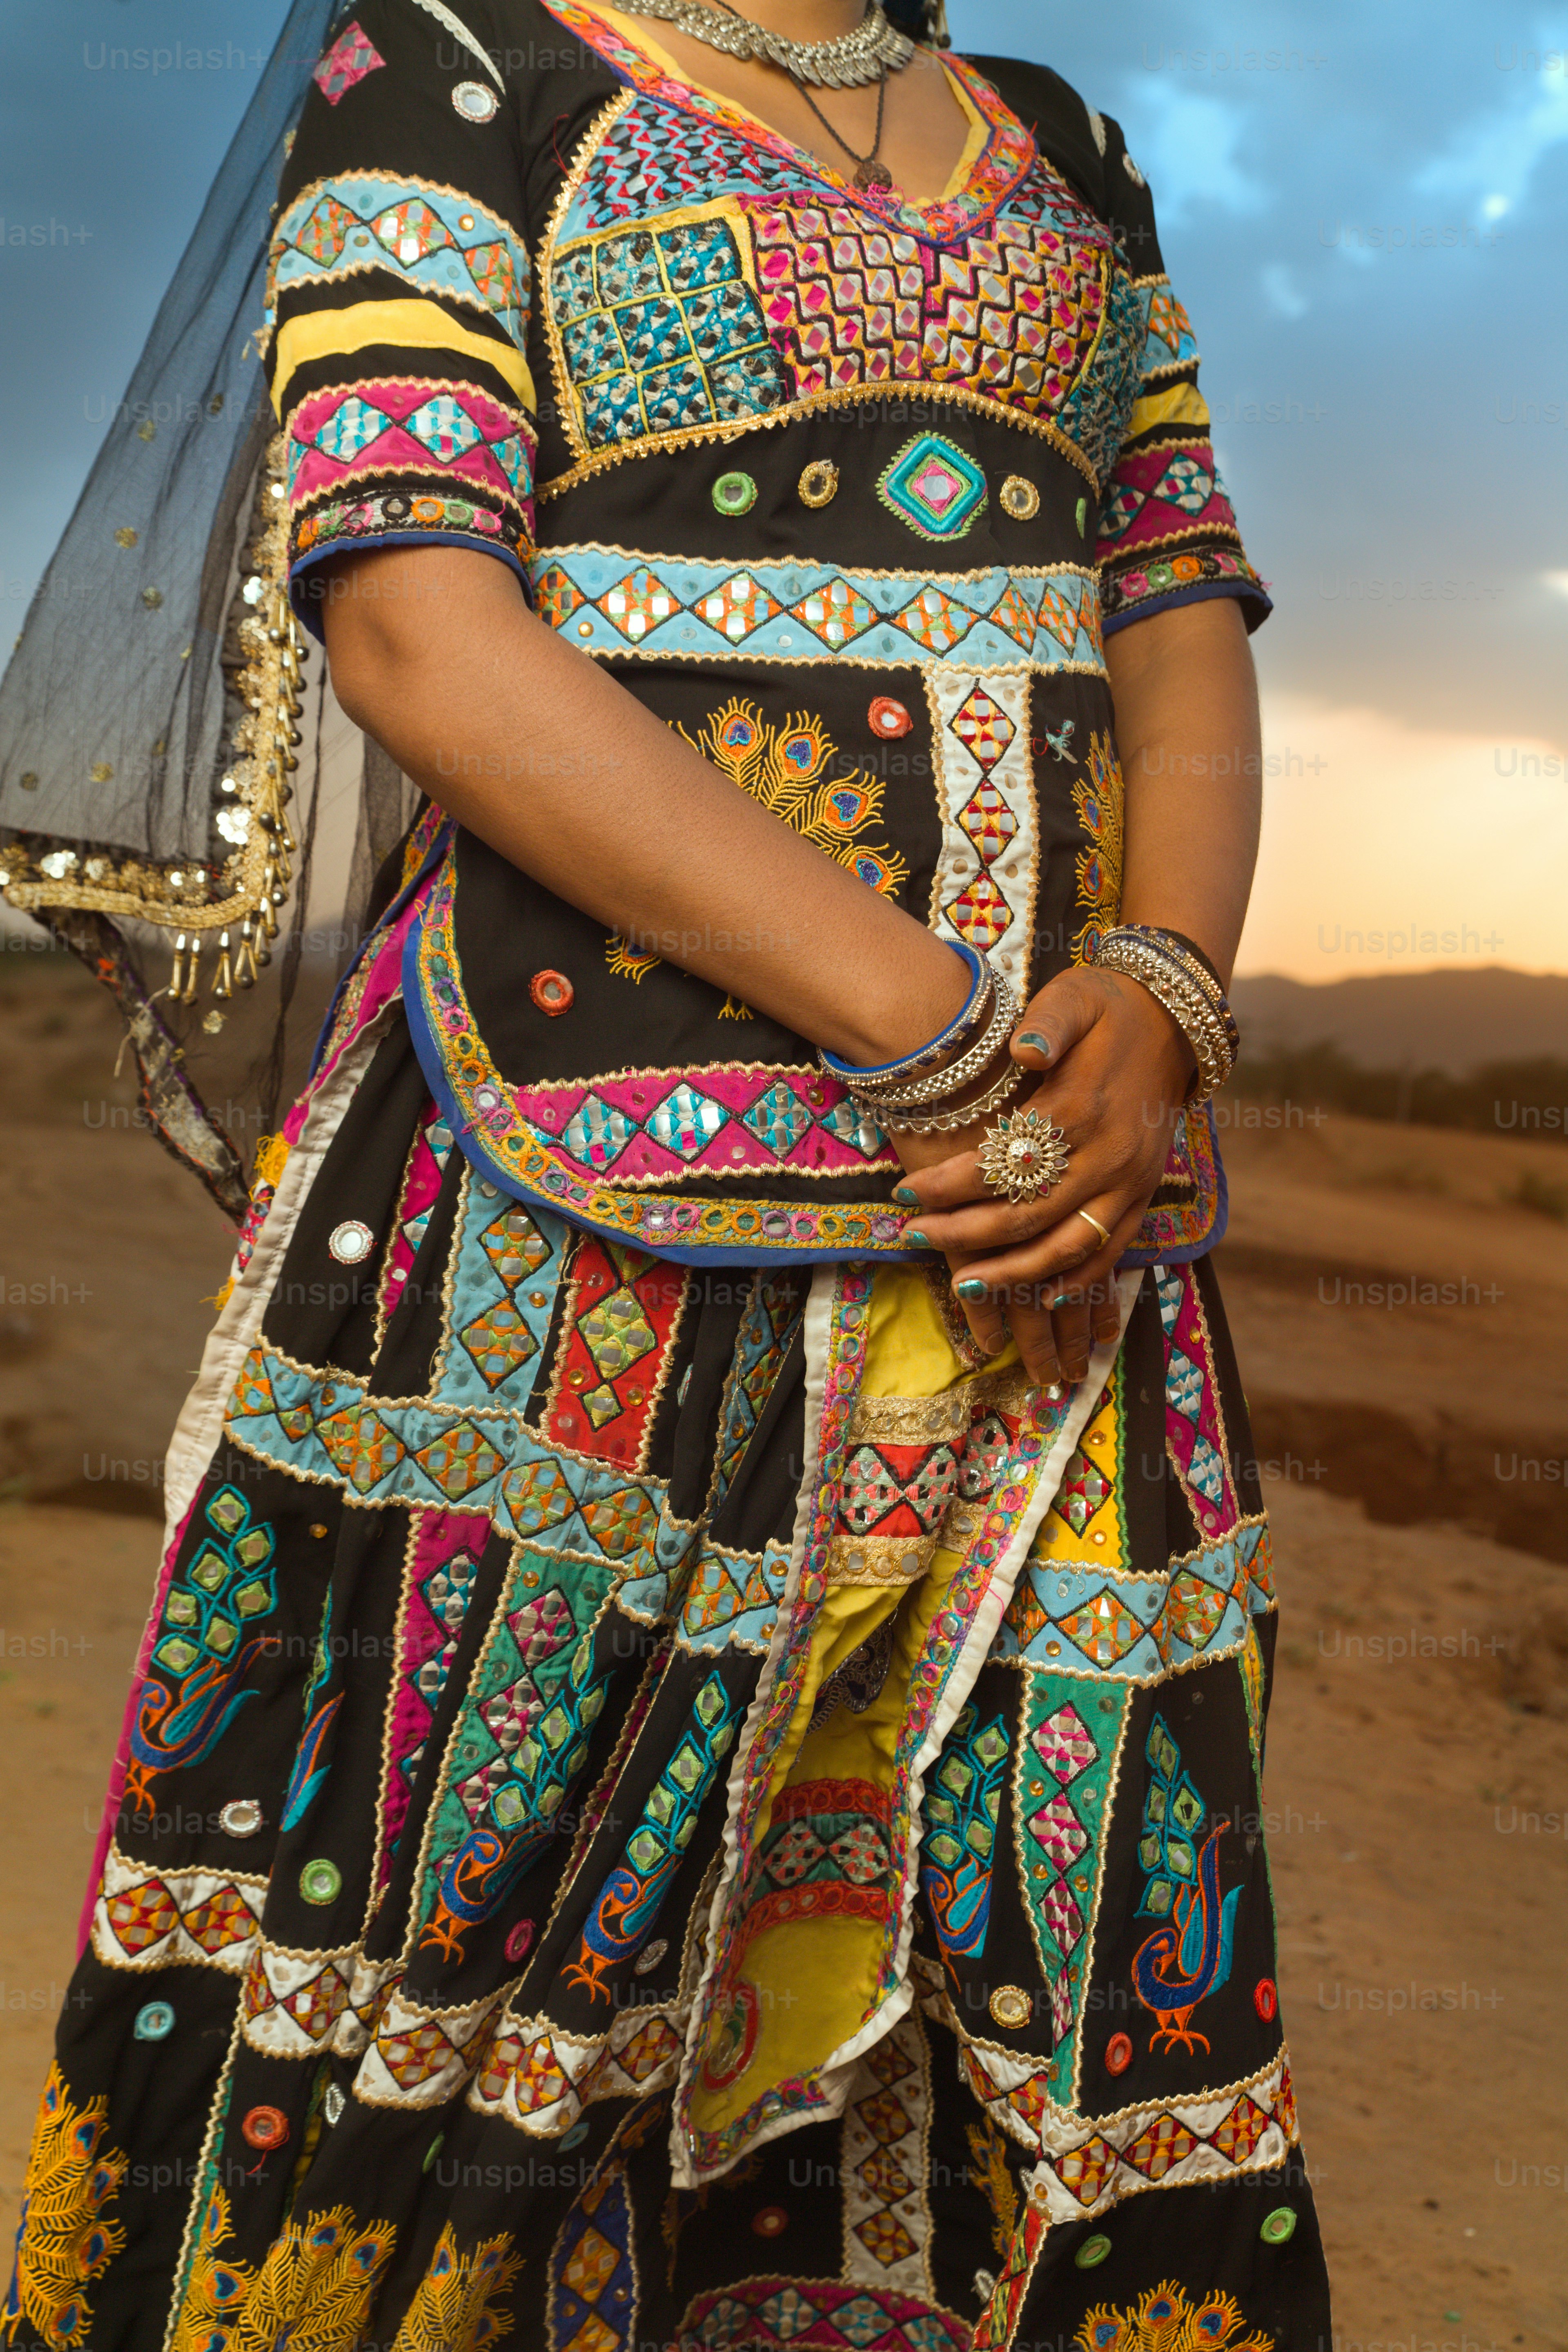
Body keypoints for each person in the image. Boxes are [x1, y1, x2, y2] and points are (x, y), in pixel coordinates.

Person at [5, 0, 1332, 2344]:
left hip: (1065, 1240)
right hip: (582, 1216)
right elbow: (423, 624)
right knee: (485, 1942)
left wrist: (1169, 985)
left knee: (1078, 1947)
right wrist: (930, 1034)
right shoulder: (445, 69)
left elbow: (1179, 613)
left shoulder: (1065, 150)